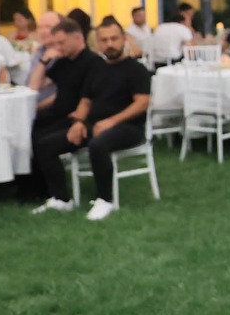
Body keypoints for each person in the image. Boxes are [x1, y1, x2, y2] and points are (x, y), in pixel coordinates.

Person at [31, 19, 150, 221]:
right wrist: (78, 122)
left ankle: (105, 200)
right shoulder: (97, 68)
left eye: (114, 39)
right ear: (98, 42)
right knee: (46, 144)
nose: (109, 44)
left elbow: (142, 103)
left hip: (128, 127)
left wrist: (111, 122)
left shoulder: (136, 69)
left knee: (98, 144)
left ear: (123, 39)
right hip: (94, 124)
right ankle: (61, 199)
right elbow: (85, 100)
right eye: (104, 40)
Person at [25, 19, 100, 201]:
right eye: (56, 43)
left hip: (77, 118)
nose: (58, 47)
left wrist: (80, 118)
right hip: (57, 114)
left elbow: (92, 98)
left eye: (62, 42)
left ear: (77, 38)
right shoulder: (64, 62)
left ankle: (59, 196)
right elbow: (34, 86)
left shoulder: (93, 62)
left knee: (43, 141)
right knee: (26, 131)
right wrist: (44, 61)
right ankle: (34, 189)